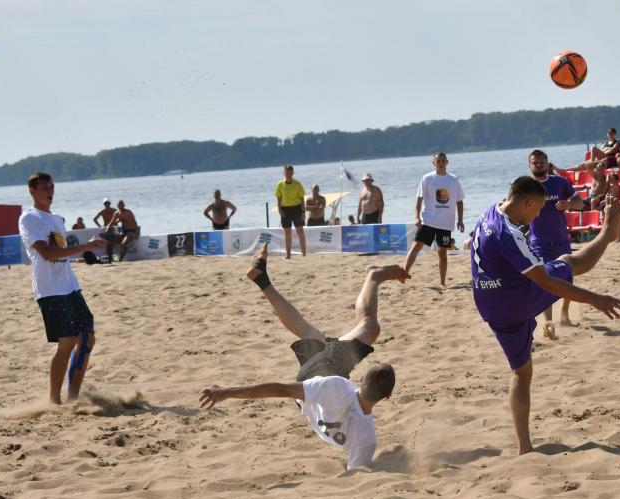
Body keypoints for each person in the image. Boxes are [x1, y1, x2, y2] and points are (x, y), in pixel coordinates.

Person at [199, 243, 409, 470]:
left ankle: (374, 276)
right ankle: (263, 280)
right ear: (387, 397)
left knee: (367, 326)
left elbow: (279, 389)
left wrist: (227, 393)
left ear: (359, 381)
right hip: (307, 397)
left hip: (321, 378)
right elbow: (356, 473)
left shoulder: (338, 388)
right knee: (321, 334)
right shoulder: (367, 439)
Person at [470, 178, 620, 454]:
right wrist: (595, 300)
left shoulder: (488, 213)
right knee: (568, 262)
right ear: (528, 202)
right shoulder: (509, 234)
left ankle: (524, 447)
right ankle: (606, 235)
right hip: (515, 298)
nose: (539, 215)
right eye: (539, 208)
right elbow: (546, 282)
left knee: (521, 371)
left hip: (489, 304)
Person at [18, 172, 107, 404]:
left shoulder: (58, 218)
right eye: (44, 187)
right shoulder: (29, 218)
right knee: (66, 342)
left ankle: (74, 398)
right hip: (49, 290)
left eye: (52, 187)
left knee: (87, 339)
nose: (50, 191)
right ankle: (54, 401)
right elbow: (47, 254)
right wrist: (87, 246)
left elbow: (61, 254)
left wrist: (87, 247)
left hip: (70, 286)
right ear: (32, 191)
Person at [527, 150, 585, 338]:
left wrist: (568, 204)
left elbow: (580, 203)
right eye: (535, 162)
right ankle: (548, 324)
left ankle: (565, 315)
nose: (539, 165)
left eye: (541, 161)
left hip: (561, 239)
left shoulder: (558, 182)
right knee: (546, 281)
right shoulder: (525, 186)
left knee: (567, 279)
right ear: (530, 166)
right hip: (539, 243)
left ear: (547, 163)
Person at [403, 152, 465, 286]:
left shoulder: (453, 180)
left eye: (443, 161)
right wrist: (416, 216)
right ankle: (404, 274)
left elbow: (459, 202)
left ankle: (442, 283)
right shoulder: (427, 178)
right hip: (428, 221)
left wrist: (460, 220)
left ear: (447, 162)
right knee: (416, 246)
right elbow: (419, 198)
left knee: (442, 252)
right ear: (434, 163)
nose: (441, 163)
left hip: (445, 224)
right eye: (438, 161)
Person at [275, 164, 307, 259]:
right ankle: (288, 255)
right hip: (285, 209)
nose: (288, 174)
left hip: (296, 208)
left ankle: (304, 254)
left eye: (290, 172)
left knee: (300, 231)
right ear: (284, 173)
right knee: (287, 232)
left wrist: (303, 212)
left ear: (293, 173)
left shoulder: (297, 184)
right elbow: (278, 199)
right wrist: (279, 210)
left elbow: (302, 200)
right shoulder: (280, 184)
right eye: (287, 172)